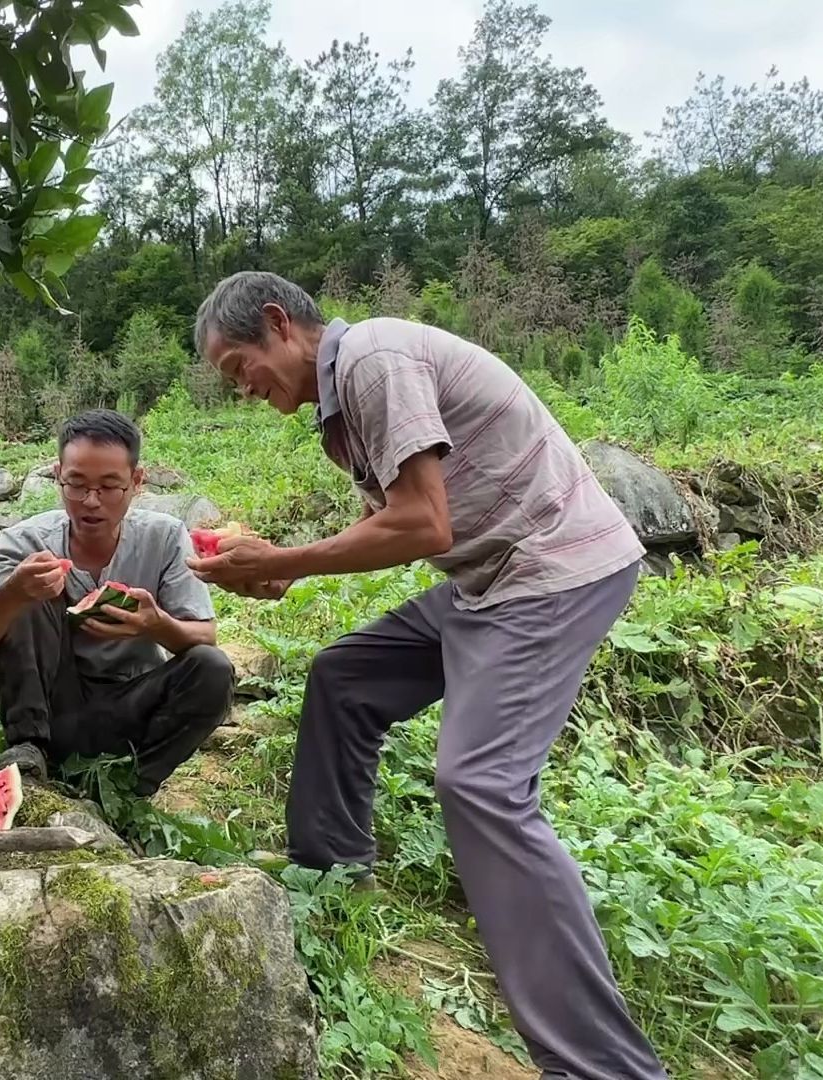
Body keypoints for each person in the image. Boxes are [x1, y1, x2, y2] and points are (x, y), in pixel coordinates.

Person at [186, 271, 666, 1080]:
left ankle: (603, 1067)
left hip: (551, 571)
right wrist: (285, 566)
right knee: (346, 676)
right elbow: (401, 516)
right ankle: (330, 870)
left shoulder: (373, 359)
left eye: (239, 368)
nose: (242, 390)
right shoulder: (348, 389)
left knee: (479, 783)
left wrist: (291, 563)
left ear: (279, 324)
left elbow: (422, 521)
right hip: (489, 580)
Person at [0, 409, 234, 794]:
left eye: (109, 486)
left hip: (132, 706)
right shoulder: (25, 541)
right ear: (58, 476)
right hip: (52, 707)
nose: (91, 501)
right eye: (76, 484)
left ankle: (129, 788)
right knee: (29, 587)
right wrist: (13, 593)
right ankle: (27, 749)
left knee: (213, 668)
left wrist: (157, 625)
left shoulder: (165, 537)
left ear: (136, 482)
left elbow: (205, 638)